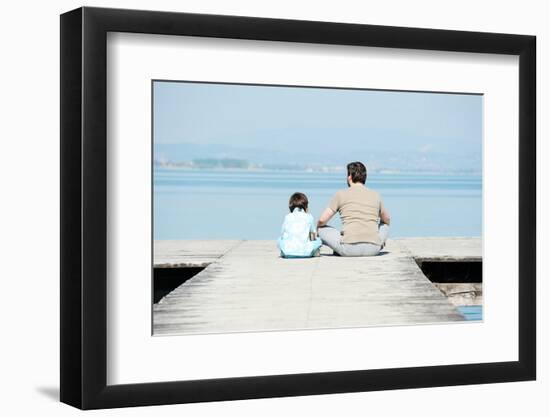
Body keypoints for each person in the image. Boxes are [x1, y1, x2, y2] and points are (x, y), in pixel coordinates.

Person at [317, 161, 390, 256]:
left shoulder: (340, 194)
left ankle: (338, 246)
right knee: (385, 225)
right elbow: (387, 219)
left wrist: (317, 228)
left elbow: (322, 220)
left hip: (348, 249)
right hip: (373, 249)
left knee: (321, 229)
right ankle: (378, 242)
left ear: (350, 177)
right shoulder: (376, 195)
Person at [278, 192, 322, 258]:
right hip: (306, 252)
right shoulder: (309, 217)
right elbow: (314, 234)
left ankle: (283, 252)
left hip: (288, 252)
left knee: (279, 240)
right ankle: (314, 252)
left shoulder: (287, 217)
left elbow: (282, 234)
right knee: (319, 241)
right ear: (306, 206)